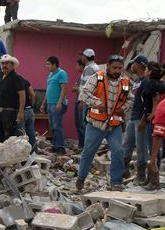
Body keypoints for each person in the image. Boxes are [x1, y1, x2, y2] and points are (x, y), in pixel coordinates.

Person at [75, 55, 131, 191]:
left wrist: (124, 108)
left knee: (117, 151)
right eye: (114, 68)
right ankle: (81, 178)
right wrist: (97, 103)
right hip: (96, 124)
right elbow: (84, 93)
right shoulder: (97, 77)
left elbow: (130, 99)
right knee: (88, 152)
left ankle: (116, 181)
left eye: (120, 68)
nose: (117, 70)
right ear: (108, 66)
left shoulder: (125, 82)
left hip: (114, 125)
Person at [0, 55, 25, 142]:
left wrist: (21, 112)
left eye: (7, 63)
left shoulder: (16, 78)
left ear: (13, 65)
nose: (4, 66)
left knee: (9, 138)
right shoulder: (0, 77)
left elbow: (22, 94)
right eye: (2, 63)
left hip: (10, 112)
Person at [122, 55, 148, 183]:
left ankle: (141, 173)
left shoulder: (145, 81)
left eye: (133, 64)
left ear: (139, 65)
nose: (132, 66)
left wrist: (144, 119)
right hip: (132, 117)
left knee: (140, 147)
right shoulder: (137, 81)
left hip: (140, 118)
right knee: (127, 144)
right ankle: (124, 170)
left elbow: (148, 103)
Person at [41, 56, 68, 154]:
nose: (46, 66)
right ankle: (55, 146)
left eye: (48, 64)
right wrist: (43, 104)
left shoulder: (61, 73)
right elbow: (48, 90)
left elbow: (64, 89)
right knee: (52, 126)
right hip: (50, 103)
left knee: (57, 126)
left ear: (54, 64)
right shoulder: (50, 75)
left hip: (57, 104)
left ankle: (61, 147)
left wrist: (59, 102)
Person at [22, 78, 37, 153]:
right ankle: (34, 152)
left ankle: (23, 155)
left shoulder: (13, 82)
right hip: (30, 110)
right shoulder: (25, 81)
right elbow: (33, 95)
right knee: (31, 133)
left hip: (21, 111)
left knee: (21, 135)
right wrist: (32, 106)